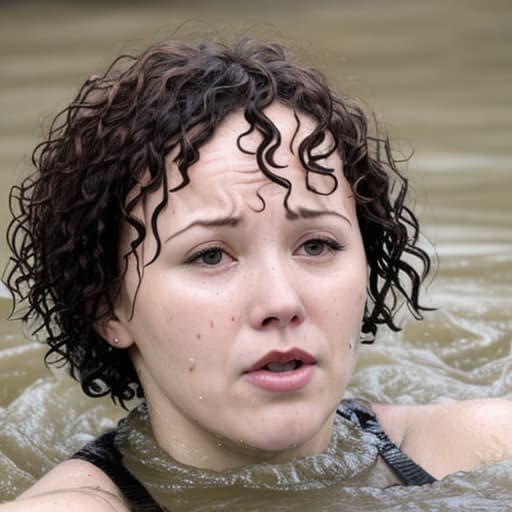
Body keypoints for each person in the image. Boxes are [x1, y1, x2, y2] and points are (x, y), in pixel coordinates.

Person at [2, 37, 511, 512]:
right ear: (106, 305)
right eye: (209, 255)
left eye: (316, 244)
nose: (281, 301)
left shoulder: (483, 456)